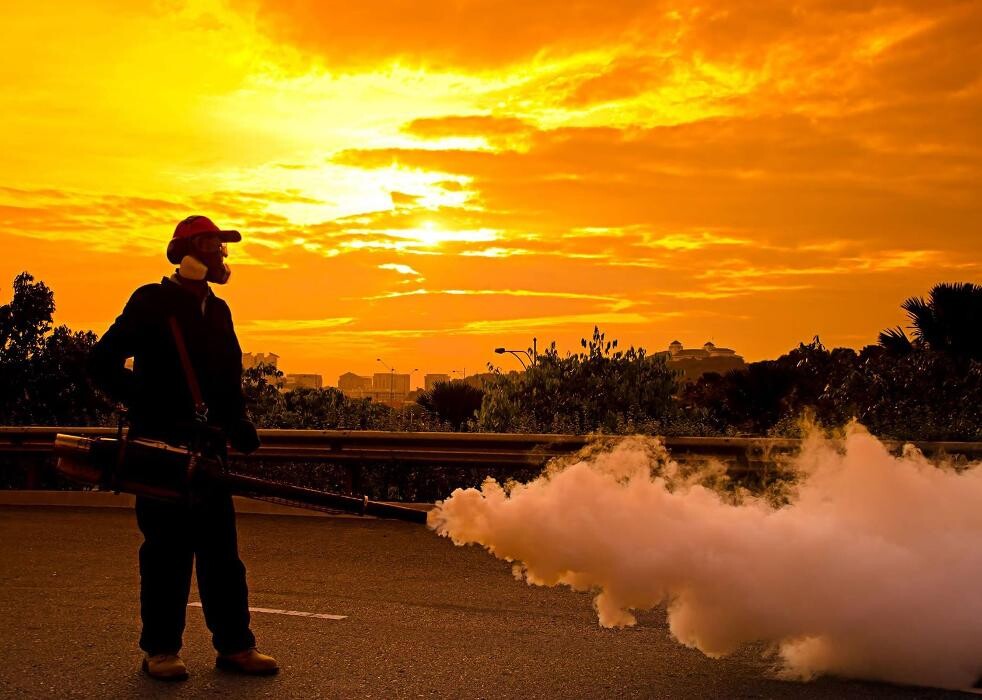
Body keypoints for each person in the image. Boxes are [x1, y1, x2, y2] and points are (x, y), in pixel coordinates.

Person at [88, 215, 278, 681]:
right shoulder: (151, 302)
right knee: (165, 554)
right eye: (215, 245)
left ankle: (235, 646)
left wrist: (239, 422)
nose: (223, 255)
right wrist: (148, 403)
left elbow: (228, 381)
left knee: (222, 556)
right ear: (190, 251)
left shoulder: (219, 310)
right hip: (159, 450)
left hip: (210, 452)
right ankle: (160, 650)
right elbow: (101, 362)